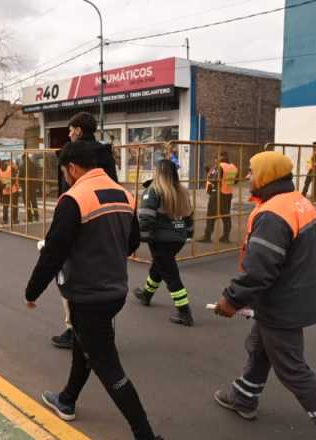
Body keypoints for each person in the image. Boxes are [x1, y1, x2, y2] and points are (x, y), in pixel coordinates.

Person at [211, 151, 316, 440]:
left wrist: (231, 300)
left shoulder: (273, 214)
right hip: (294, 295)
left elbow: (259, 270)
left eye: (252, 172)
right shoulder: (298, 202)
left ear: (266, 176)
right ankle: (243, 397)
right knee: (258, 346)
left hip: (282, 304)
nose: (247, 177)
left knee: (293, 370)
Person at [24, 140, 163, 440]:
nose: (65, 177)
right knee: (84, 345)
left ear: (72, 168)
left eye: (64, 172)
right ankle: (67, 399)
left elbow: (53, 252)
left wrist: (32, 292)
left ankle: (146, 435)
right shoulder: (124, 194)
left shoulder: (74, 198)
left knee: (109, 367)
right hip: (115, 290)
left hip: (87, 295)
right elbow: (132, 242)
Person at [50, 111, 119, 349]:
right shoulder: (105, 153)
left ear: (79, 130)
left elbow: (66, 191)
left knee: (71, 275)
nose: (69, 134)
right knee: (104, 275)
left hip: (77, 218)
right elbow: (114, 186)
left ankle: (74, 329)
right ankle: (104, 328)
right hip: (105, 221)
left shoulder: (74, 153)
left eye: (71, 130)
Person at [133, 159, 195, 326]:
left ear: (158, 172)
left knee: (171, 275)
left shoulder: (154, 190)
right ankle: (146, 294)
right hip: (178, 238)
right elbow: (188, 216)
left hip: (160, 239)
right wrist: (188, 234)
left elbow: (146, 217)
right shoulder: (181, 191)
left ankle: (184, 312)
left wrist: (139, 237)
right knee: (160, 265)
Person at [200, 151, 239, 244]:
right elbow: (236, 181)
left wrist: (208, 174)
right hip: (227, 194)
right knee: (226, 216)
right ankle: (225, 237)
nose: (215, 160)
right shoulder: (233, 167)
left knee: (211, 216)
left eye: (216, 157)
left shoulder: (220, 166)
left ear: (220, 157)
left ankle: (207, 236)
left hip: (217, 193)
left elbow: (214, 179)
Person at [0, 159, 19, 224]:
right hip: (13, 190)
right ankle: (14, 219)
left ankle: (5, 220)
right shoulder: (10, 168)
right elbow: (14, 178)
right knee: (14, 205)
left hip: (5, 191)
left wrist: (4, 186)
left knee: (5, 206)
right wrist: (8, 185)